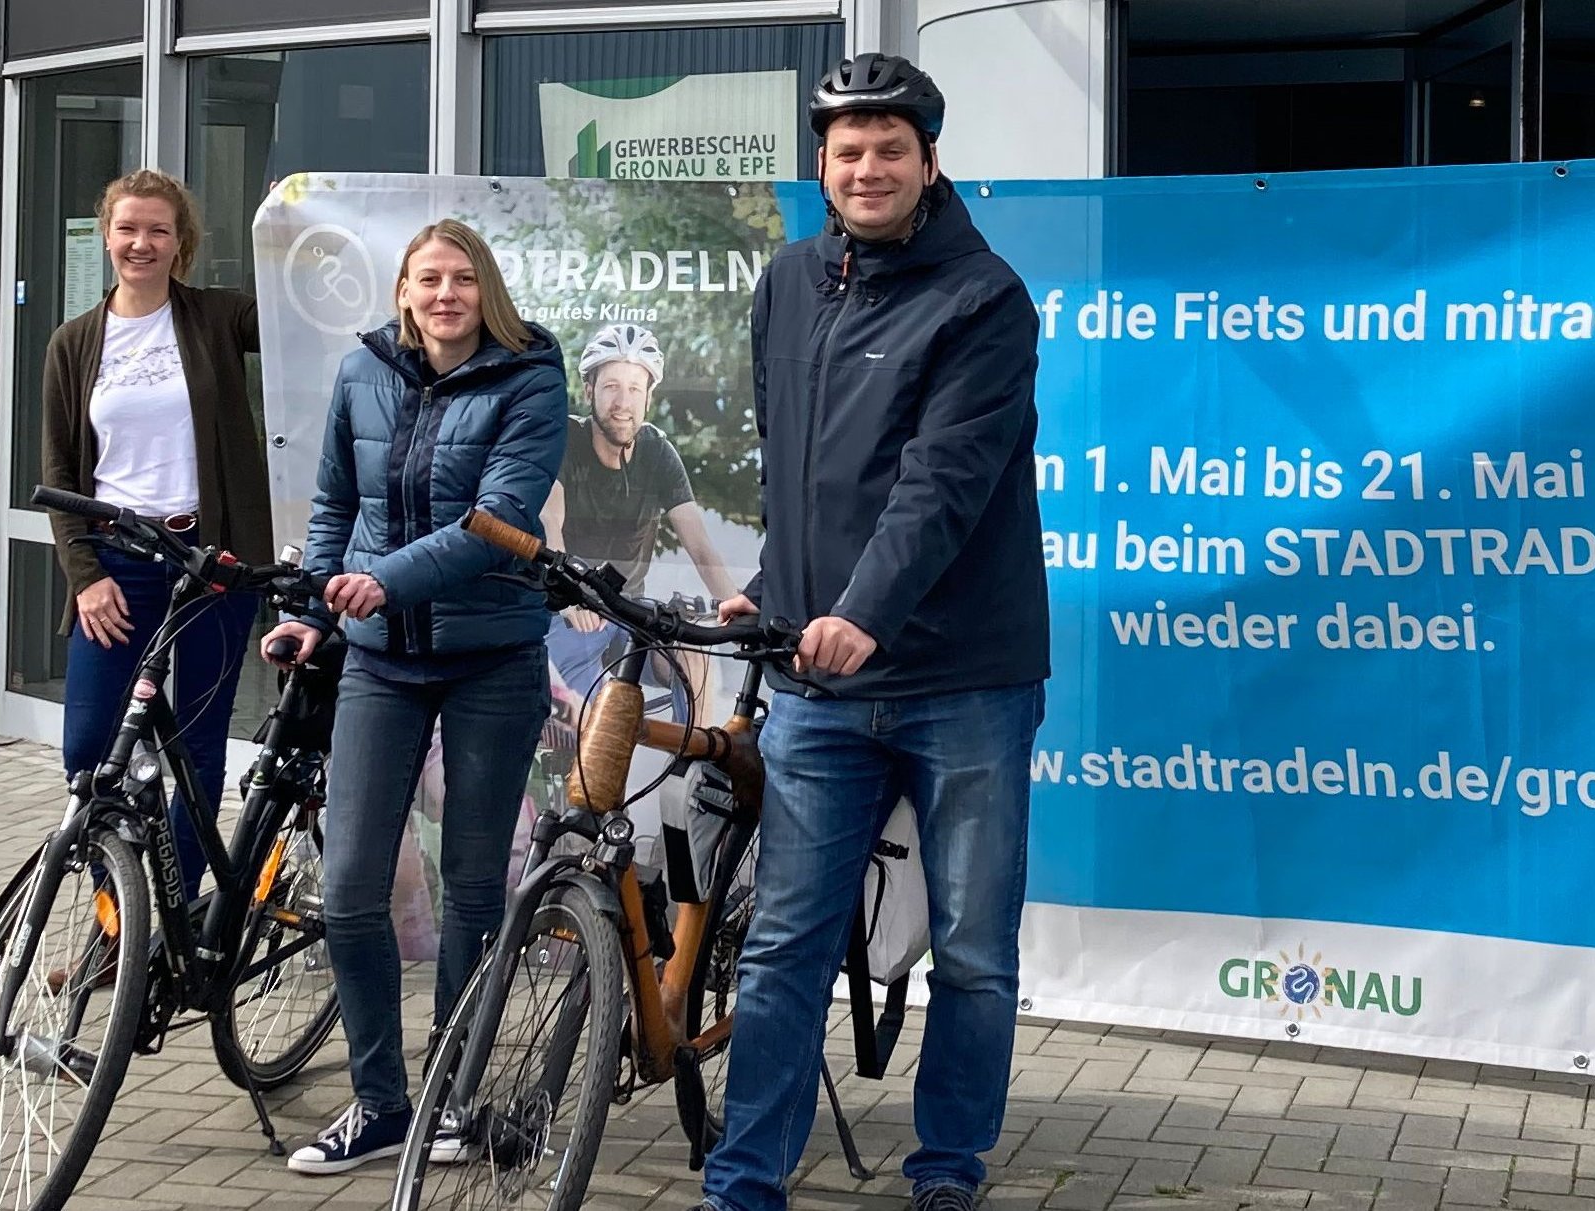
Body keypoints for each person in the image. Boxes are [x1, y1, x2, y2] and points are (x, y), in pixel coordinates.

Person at [692, 52, 1049, 1211]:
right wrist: (775, 585)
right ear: (822, 164)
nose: (866, 167)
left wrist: (860, 612)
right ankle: (746, 1175)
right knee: (786, 940)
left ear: (929, 161)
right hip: (818, 679)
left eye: (889, 147)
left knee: (973, 946)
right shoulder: (790, 281)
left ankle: (946, 1163)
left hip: (963, 676)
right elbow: (793, 467)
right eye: (846, 150)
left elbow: (941, 482)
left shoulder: (983, 298)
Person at [262, 217, 568, 1175]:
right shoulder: (364, 373)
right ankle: (380, 1103)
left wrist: (385, 578)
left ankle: (455, 1096)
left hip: (490, 657)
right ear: (401, 289)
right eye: (429, 279)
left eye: (463, 280)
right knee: (351, 887)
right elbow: (333, 506)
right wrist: (317, 607)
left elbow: (499, 525)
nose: (445, 295)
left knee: (474, 886)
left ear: (489, 293)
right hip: (377, 660)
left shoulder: (531, 377)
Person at [39, 168, 268, 898]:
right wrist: (85, 575)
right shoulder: (74, 343)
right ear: (106, 235)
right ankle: (120, 912)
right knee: (91, 751)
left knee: (196, 748)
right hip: (118, 562)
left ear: (182, 243)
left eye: (158, 230)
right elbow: (62, 471)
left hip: (210, 561)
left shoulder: (219, 317)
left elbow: (309, 317)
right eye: (128, 228)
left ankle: (169, 914)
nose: (142, 243)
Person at [542, 321, 740, 710]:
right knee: (603, 720)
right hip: (568, 615)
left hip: (626, 611)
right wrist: (571, 595)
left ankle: (694, 769)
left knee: (688, 649)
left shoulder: (657, 452)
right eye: (611, 386)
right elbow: (551, 520)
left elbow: (700, 547)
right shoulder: (566, 440)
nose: (623, 401)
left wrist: (737, 607)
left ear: (649, 397)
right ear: (589, 391)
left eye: (634, 388)